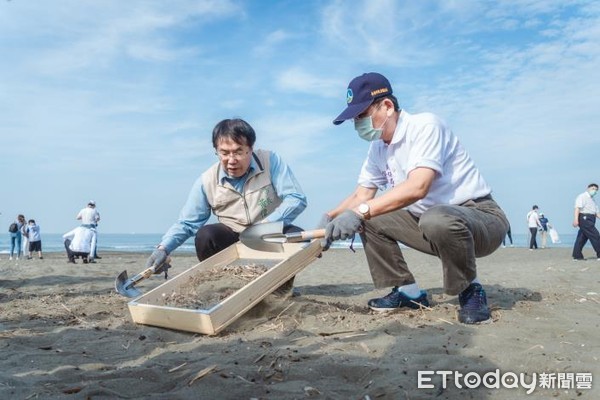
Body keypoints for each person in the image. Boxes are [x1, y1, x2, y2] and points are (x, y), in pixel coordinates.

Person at [321, 72, 509, 325]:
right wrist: (331, 217)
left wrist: (359, 211)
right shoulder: (377, 148)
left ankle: (471, 290)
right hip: (427, 223)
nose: (358, 125)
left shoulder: (425, 126)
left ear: (387, 106)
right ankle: (408, 292)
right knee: (371, 219)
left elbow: (418, 187)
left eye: (362, 116)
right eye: (355, 119)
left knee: (434, 218)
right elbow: (362, 194)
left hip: (479, 218)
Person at [145, 118, 307, 291]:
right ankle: (226, 285)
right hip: (233, 237)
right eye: (224, 153)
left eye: (238, 152)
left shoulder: (271, 161)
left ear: (250, 149)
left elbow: (296, 198)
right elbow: (187, 223)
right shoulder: (206, 180)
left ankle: (281, 287)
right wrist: (163, 249)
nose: (231, 160)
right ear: (216, 151)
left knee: (297, 236)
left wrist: (266, 226)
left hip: (269, 233)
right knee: (205, 235)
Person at [571, 183, 600, 261]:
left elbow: (596, 212)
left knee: (582, 237)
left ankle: (577, 256)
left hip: (591, 218)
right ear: (588, 188)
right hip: (584, 218)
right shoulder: (582, 196)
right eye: (593, 189)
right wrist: (576, 220)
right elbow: (577, 208)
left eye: (596, 190)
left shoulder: (592, 200)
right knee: (596, 235)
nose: (595, 191)